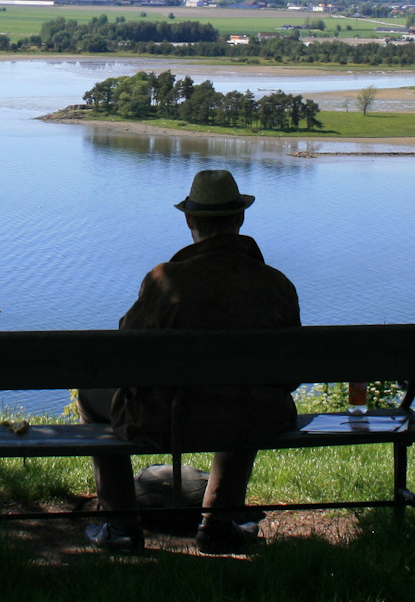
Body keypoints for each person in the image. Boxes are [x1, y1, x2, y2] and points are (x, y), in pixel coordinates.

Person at [80, 168, 301, 555]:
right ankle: (217, 524)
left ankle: (121, 527)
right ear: (241, 218)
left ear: (189, 220)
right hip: (256, 417)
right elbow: (293, 373)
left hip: (168, 419)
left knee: (89, 397)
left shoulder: (165, 280)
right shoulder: (277, 284)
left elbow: (122, 355)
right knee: (245, 397)